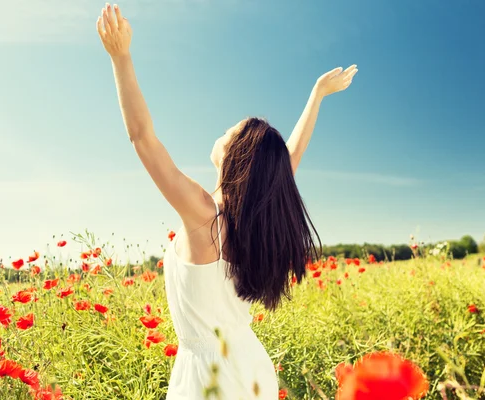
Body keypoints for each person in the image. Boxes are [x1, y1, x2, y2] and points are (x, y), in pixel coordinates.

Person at [96, 3, 358, 399]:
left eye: (229, 130)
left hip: (210, 379)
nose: (221, 131)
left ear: (238, 154)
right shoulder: (251, 219)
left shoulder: (205, 215)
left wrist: (121, 57)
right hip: (247, 364)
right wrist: (317, 94)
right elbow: (291, 156)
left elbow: (143, 139)